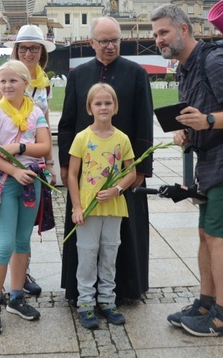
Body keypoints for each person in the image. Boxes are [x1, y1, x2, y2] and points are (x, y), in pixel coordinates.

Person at [150, 4, 223, 337]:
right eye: (156, 34)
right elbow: (203, 114)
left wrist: (208, 121)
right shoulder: (187, 69)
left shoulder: (216, 60)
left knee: (219, 239)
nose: (159, 39)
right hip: (214, 161)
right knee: (206, 235)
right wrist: (189, 131)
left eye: (164, 32)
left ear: (184, 29)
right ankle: (205, 303)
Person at [58, 16, 154, 304]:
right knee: (85, 233)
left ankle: (125, 290)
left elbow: (143, 122)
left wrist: (142, 168)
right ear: (91, 43)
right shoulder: (79, 74)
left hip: (124, 169)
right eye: (104, 41)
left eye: (115, 40)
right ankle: (82, 292)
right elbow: (67, 122)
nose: (110, 46)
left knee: (122, 234)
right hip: (86, 169)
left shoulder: (136, 73)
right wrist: (65, 164)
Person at [0, 24, 56, 297]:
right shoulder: (1, 76)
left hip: (31, 165)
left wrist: (49, 162)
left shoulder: (42, 81)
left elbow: (44, 123)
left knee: (23, 232)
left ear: (42, 51)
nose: (28, 52)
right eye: (23, 48)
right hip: (2, 163)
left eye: (34, 48)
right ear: (15, 50)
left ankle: (19, 278)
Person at [0, 60, 51, 334]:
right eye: (3, 81)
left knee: (22, 242)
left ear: (26, 84)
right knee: (4, 243)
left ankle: (17, 297)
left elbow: (45, 146)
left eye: (13, 81)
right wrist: (13, 170)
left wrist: (21, 147)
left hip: (30, 181)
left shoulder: (35, 112)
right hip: (5, 182)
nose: (7, 86)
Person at [67, 83, 136, 329]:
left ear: (115, 107)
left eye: (108, 103)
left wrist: (117, 189)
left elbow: (131, 171)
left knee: (110, 253)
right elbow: (72, 175)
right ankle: (85, 302)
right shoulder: (82, 138)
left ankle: (107, 300)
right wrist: (77, 207)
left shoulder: (122, 138)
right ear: (90, 108)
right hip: (88, 208)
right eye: (98, 103)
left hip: (114, 207)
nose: (103, 107)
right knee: (87, 253)